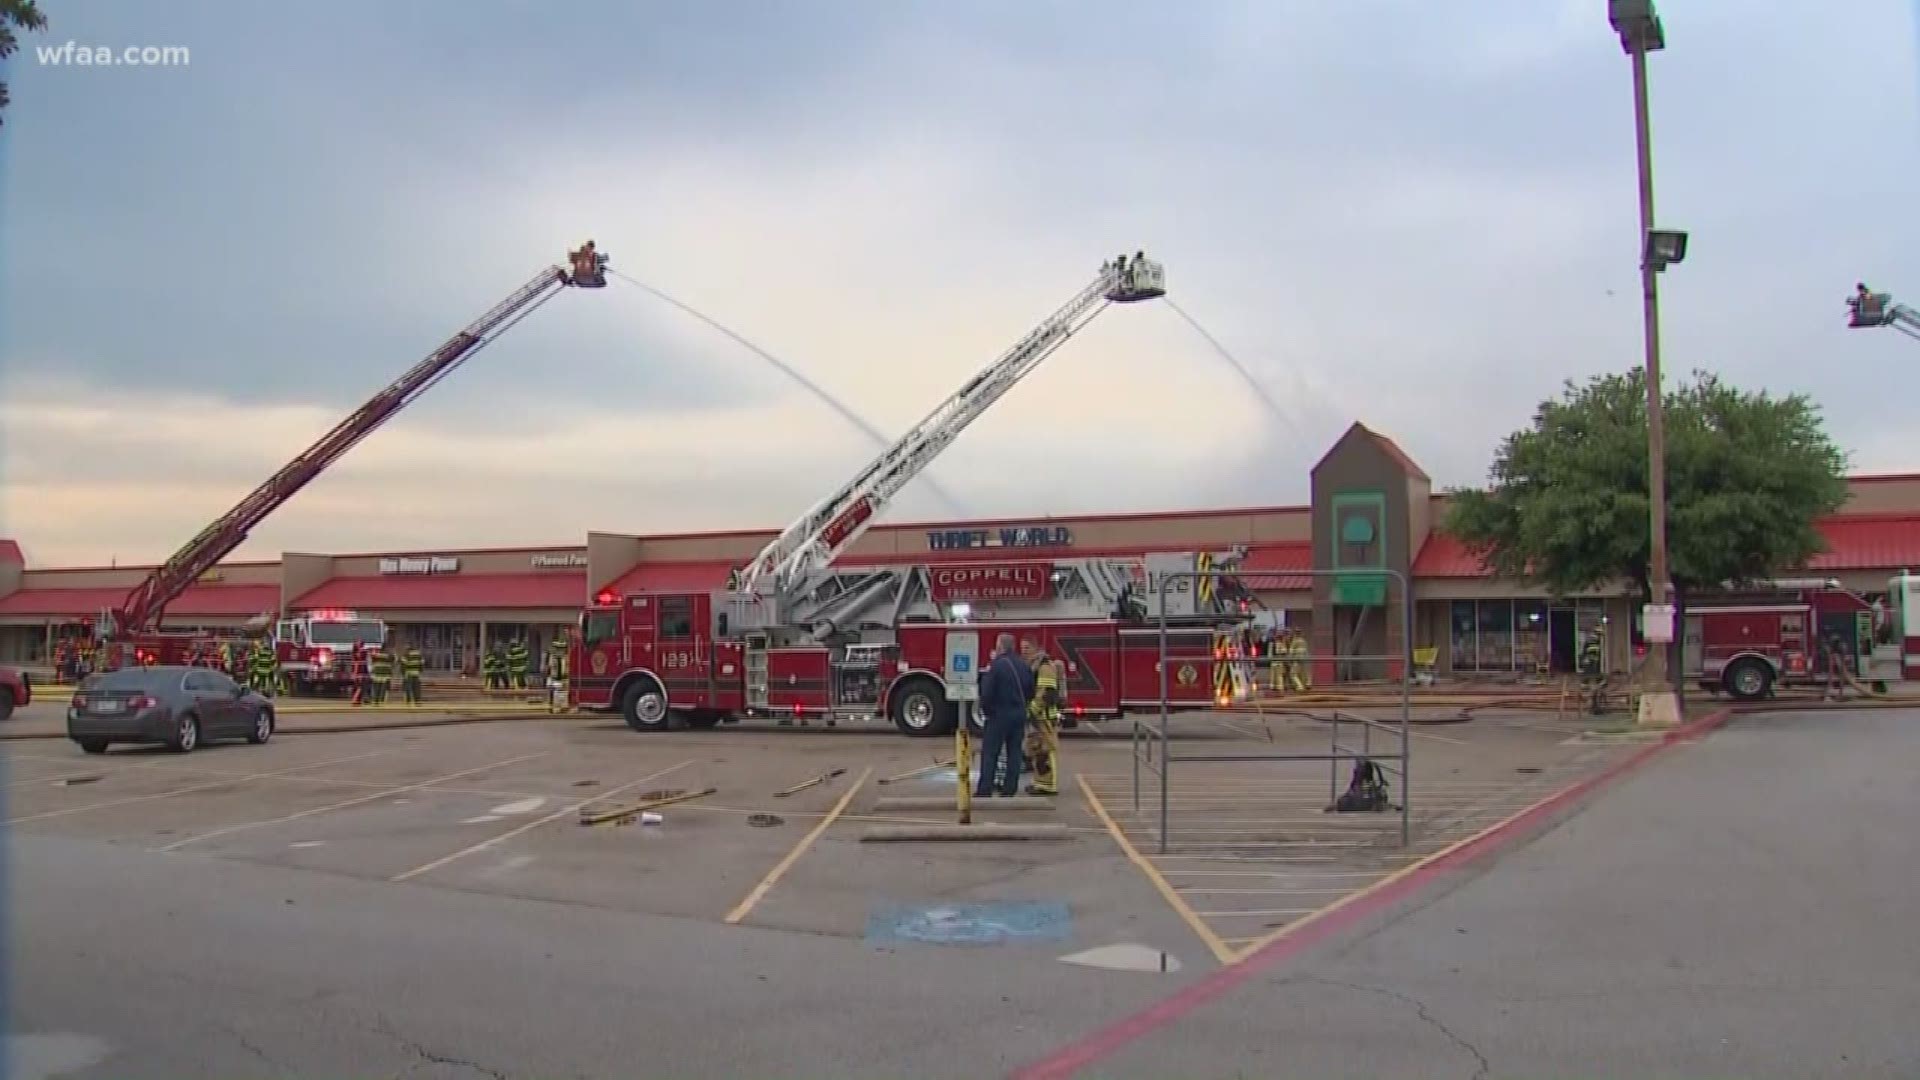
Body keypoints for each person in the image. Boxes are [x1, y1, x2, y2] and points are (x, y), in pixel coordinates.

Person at [975, 633, 1034, 799]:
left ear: (1000, 646)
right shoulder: (1023, 665)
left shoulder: (997, 665)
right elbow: (1031, 690)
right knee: (1014, 752)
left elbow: (987, 693)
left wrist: (986, 711)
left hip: (999, 715)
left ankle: (985, 789)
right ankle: (1010, 789)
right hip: (1019, 714)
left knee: (990, 752)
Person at [1021, 639, 1063, 796]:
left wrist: (1032, 710)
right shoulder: (1034, 666)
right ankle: (1040, 783)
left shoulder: (1044, 667)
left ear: (1036, 649)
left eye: (1027, 647)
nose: (1024, 651)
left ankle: (1049, 785)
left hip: (1044, 717)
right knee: (1037, 750)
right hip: (1038, 716)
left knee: (1046, 750)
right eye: (1022, 648)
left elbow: (1047, 693)